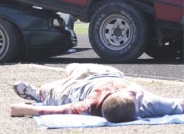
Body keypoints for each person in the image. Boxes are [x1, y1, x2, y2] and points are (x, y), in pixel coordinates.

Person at [10, 63, 184, 123]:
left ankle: (38, 93)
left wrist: (24, 109)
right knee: (71, 67)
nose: (134, 92)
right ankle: (72, 71)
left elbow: (55, 111)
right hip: (107, 74)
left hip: (77, 87)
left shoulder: (88, 106)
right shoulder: (149, 102)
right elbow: (179, 105)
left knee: (54, 93)